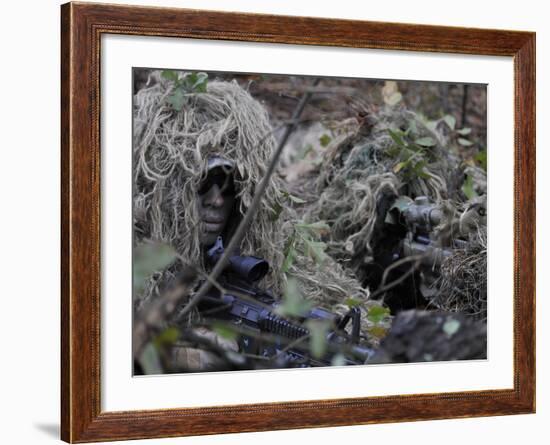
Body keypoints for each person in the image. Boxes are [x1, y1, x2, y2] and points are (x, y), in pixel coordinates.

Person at [132, 71, 380, 372]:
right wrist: (198, 353)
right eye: (202, 186)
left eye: (229, 188)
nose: (217, 201)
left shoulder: (270, 257)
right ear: (168, 193)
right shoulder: (131, 262)